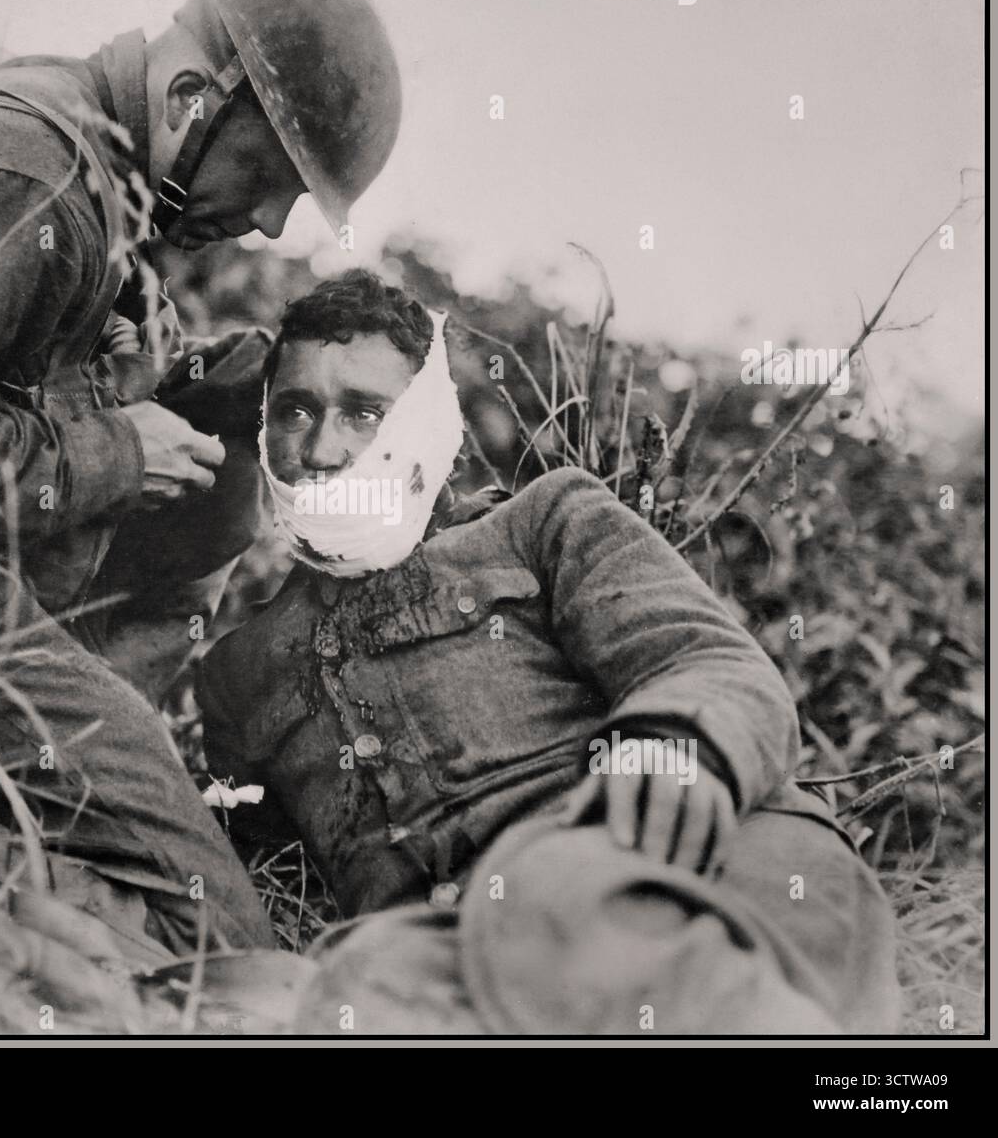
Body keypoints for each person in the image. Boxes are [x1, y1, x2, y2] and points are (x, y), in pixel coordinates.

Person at [0, 0, 402, 956]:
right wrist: (114, 453)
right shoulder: (35, 165)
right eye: (269, 178)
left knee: (226, 472)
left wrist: (176, 382)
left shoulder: (94, 156)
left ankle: (41, 774)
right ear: (197, 99)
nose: (271, 222)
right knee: (221, 926)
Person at [196, 269, 901, 1032]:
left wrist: (675, 753)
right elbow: (245, 849)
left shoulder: (543, 520)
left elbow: (707, 660)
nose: (325, 447)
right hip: (462, 946)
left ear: (426, 426)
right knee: (359, 984)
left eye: (366, 412)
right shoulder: (237, 674)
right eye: (295, 410)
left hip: (685, 855)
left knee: (558, 889)